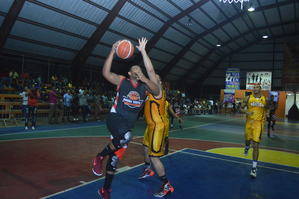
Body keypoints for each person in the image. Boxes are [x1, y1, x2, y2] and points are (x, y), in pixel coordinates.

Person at [92, 38, 159, 199]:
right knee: (127, 137)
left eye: (139, 69)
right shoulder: (122, 81)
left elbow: (157, 90)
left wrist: (144, 77)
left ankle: (105, 190)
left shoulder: (144, 87)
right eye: (134, 68)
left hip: (125, 127)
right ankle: (100, 156)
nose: (137, 70)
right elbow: (106, 73)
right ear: (130, 73)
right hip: (115, 119)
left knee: (115, 160)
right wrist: (112, 52)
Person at [140, 91, 182, 197]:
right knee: (145, 146)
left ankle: (166, 185)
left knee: (154, 156)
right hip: (150, 125)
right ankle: (147, 169)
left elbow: (170, 111)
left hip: (160, 125)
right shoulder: (148, 94)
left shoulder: (160, 96)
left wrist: (176, 116)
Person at [241, 85, 268, 178]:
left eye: (257, 87)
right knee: (247, 140)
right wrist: (246, 112)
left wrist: (269, 115)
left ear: (260, 89)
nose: (255, 89)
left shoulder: (264, 99)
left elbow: (267, 109)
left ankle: (254, 168)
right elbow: (240, 108)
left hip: (258, 124)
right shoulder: (248, 98)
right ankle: (247, 146)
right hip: (249, 123)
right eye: (254, 87)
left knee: (256, 145)